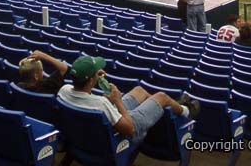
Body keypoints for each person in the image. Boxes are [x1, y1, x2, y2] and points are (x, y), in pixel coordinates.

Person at [57, 55, 199, 145]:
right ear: (91, 80)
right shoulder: (101, 104)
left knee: (139, 90)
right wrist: (117, 101)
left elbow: (88, 102)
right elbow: (129, 129)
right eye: (95, 73)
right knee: (161, 96)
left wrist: (109, 99)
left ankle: (170, 106)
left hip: (89, 132)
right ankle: (186, 111)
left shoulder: (64, 90)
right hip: (121, 137)